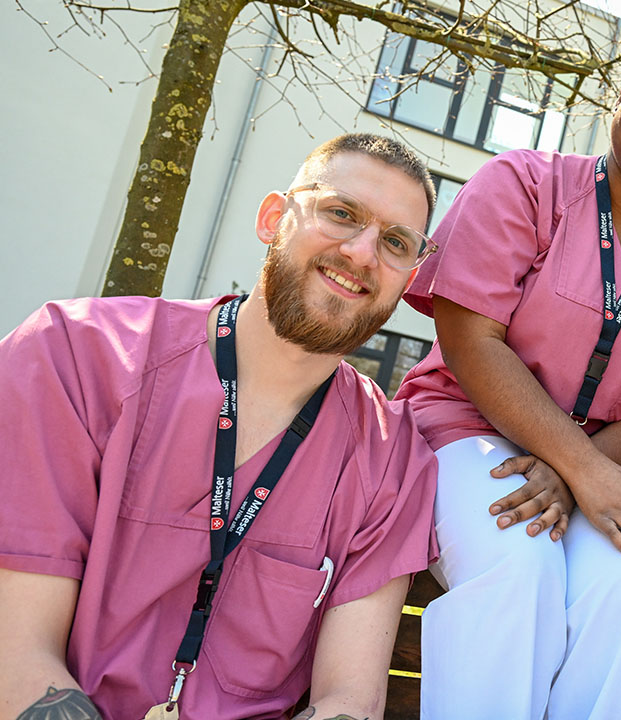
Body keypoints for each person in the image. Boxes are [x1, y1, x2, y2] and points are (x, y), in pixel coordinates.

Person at [0, 134, 440, 720]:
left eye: (394, 242)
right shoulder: (77, 356)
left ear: (408, 279)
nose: (362, 253)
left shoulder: (394, 462)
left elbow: (348, 702)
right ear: (273, 218)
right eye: (341, 213)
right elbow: (18, 653)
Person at [393, 24, 621, 720]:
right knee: (518, 564)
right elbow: (471, 339)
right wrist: (580, 469)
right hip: (465, 430)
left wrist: (579, 468)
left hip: (615, 462)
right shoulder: (523, 182)